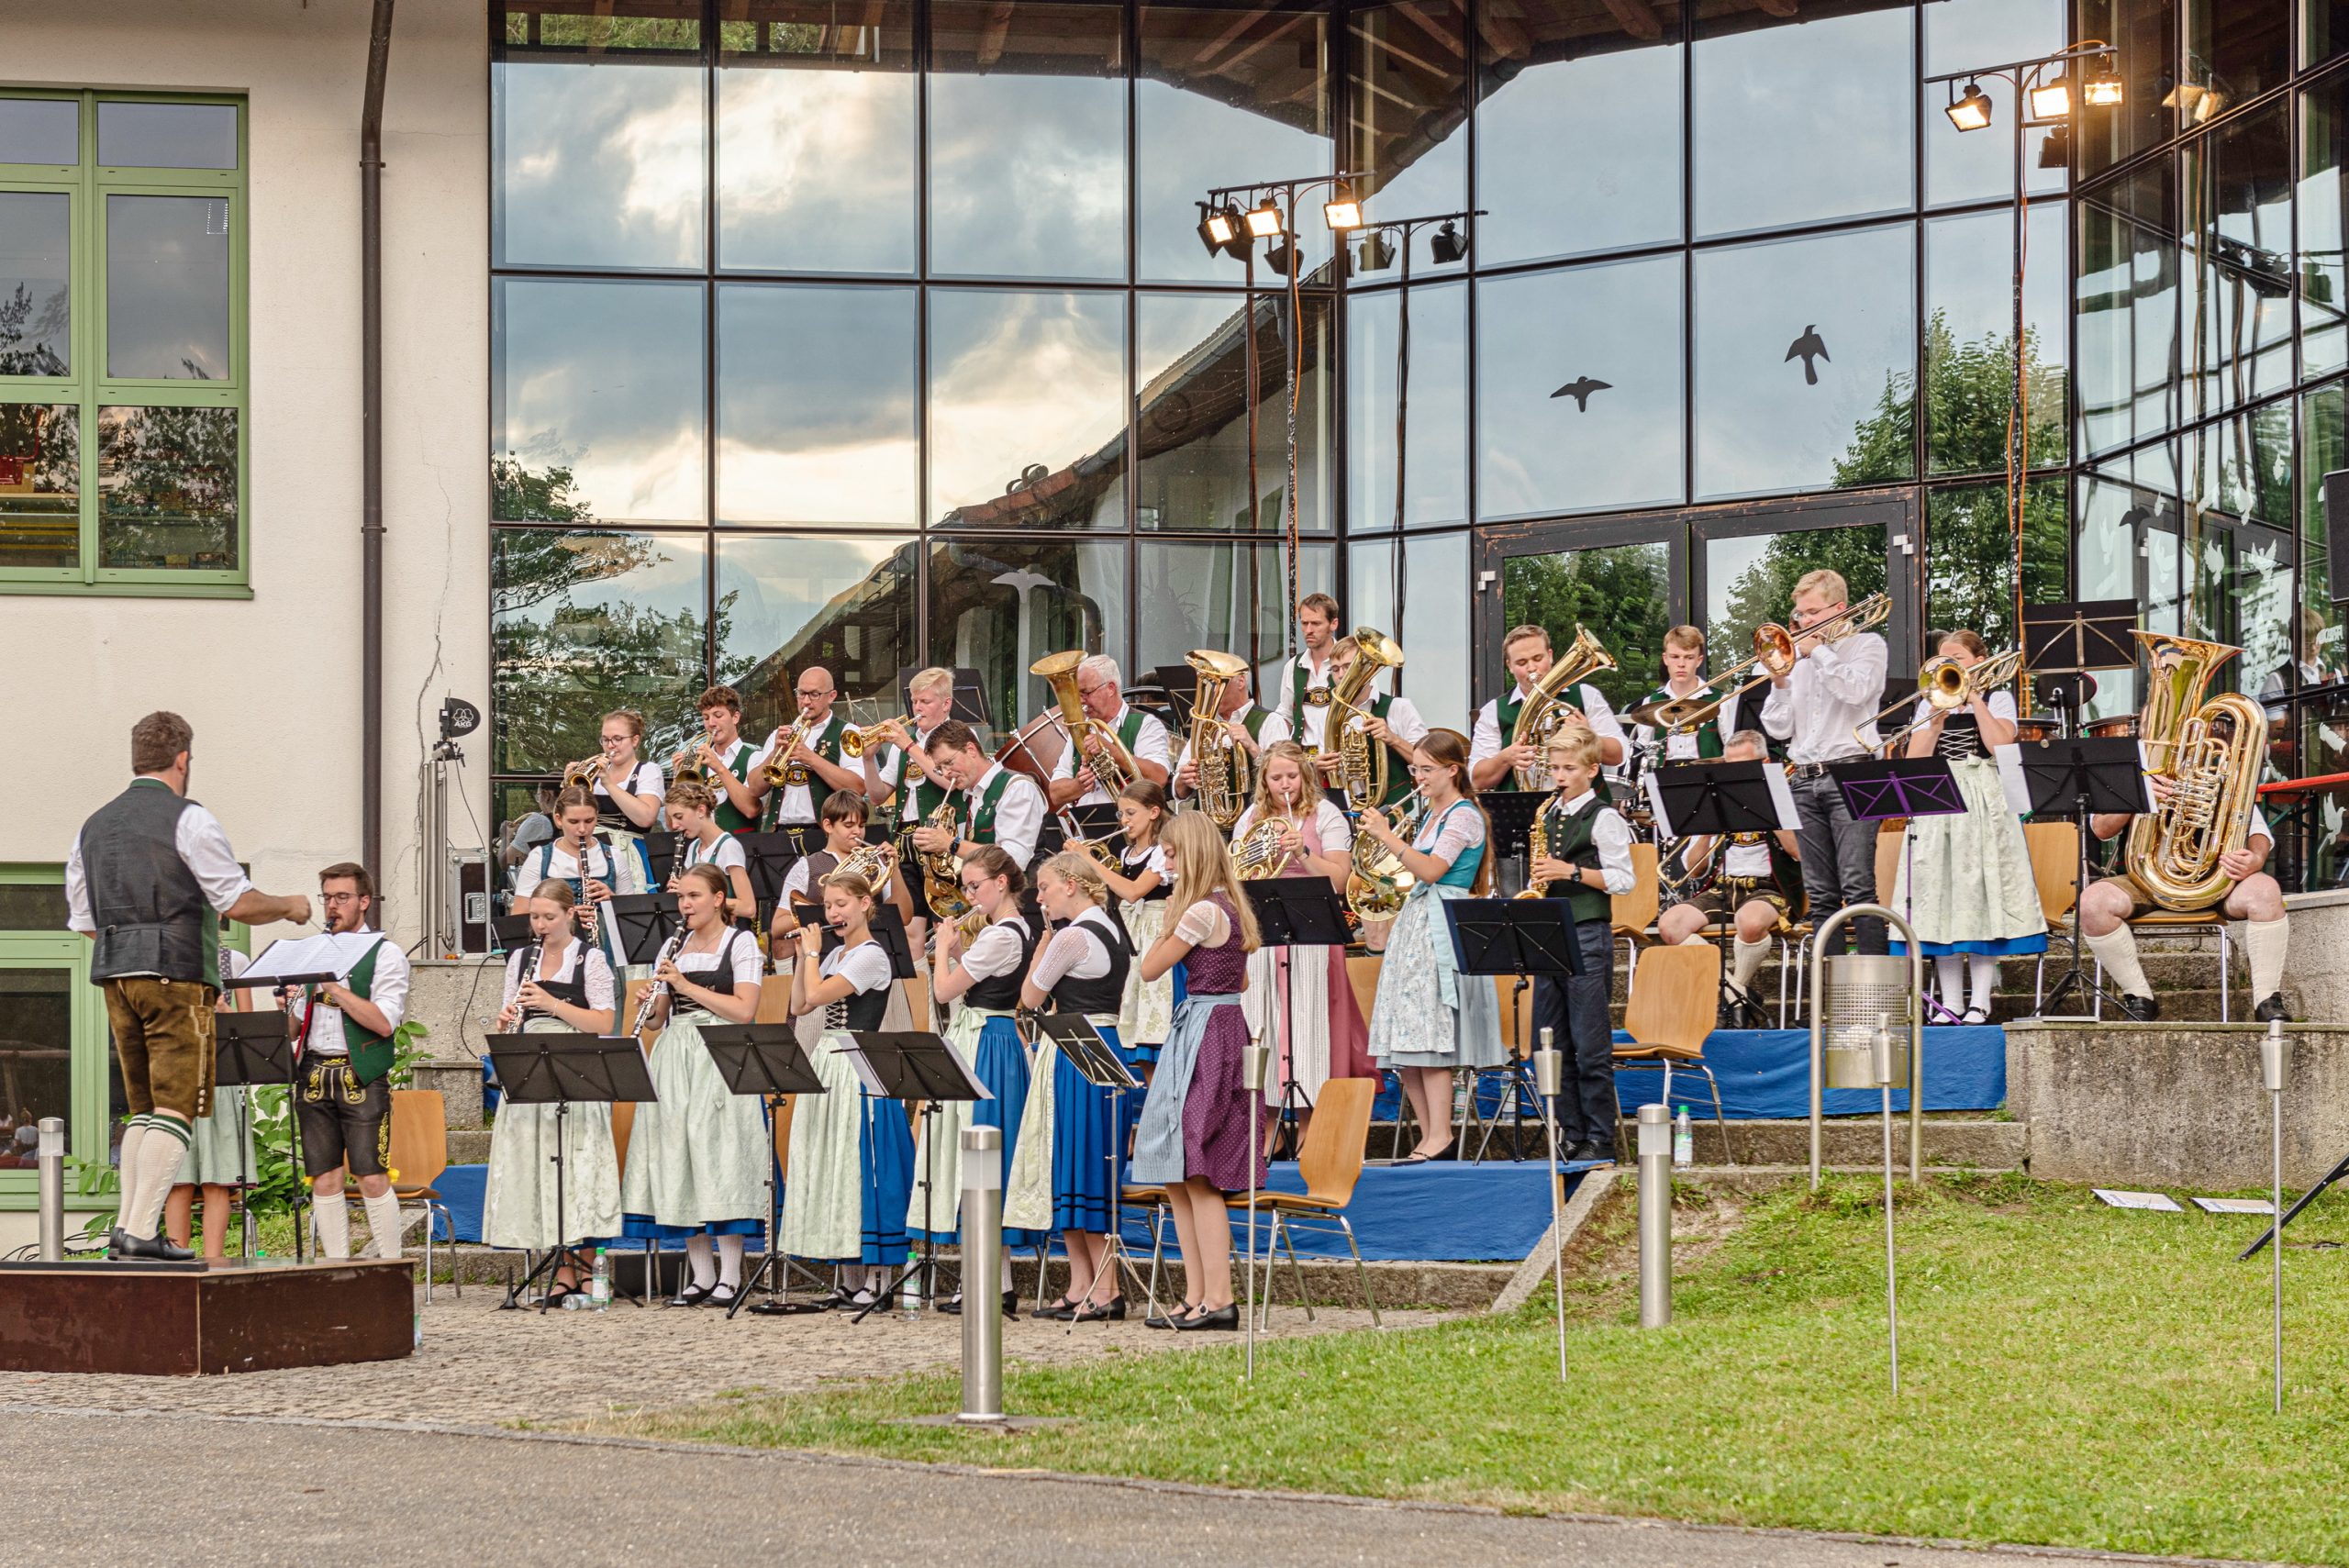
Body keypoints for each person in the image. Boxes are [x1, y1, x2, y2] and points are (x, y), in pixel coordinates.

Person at [68, 713, 313, 1262]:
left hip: (116, 975)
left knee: (145, 1109)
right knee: (178, 1105)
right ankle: (138, 1231)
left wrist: (132, 944)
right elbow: (235, 901)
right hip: (175, 975)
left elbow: (83, 920)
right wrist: (289, 906)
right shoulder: (189, 818)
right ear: (182, 760)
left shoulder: (92, 827)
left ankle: (126, 1232)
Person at [1129, 810, 1264, 1331]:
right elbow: (1241, 982)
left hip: (1206, 1031)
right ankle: (1196, 1294)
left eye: (1171, 854)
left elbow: (1150, 968)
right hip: (1220, 1023)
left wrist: (1167, 919)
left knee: (1197, 1169)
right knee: (1180, 1174)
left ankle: (1219, 1297)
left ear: (1194, 853)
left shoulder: (1200, 911)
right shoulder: (1229, 905)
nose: (1166, 863)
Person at [618, 864, 765, 1307]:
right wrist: (651, 1003)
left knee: (720, 1157)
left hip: (721, 1052)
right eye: (681, 897)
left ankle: (731, 1275)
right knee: (679, 1158)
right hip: (675, 1054)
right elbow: (659, 1019)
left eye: (694, 896)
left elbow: (744, 1010)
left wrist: (683, 983)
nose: (685, 905)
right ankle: (701, 1275)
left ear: (719, 899)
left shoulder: (741, 943)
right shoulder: (672, 944)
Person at [1889, 630, 2046, 1023]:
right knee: (1939, 898)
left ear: (1979, 660)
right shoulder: (1929, 702)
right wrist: (1934, 720)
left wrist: (1975, 699)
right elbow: (1915, 759)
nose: (1950, 665)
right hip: (1937, 794)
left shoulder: (1998, 697)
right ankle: (1950, 1003)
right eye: (1945, 659)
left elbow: (2000, 746)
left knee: (1979, 896)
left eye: (1958, 657)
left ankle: (1980, 1000)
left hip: (1982, 798)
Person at [1008, 853, 1138, 1322]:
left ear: (1070, 884)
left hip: (1079, 1049)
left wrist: (1041, 949)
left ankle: (1106, 1287)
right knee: (1072, 1166)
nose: (1039, 897)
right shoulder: (1112, 928)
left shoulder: (1072, 936)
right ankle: (1082, 1284)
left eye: (1044, 887)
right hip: (1096, 1042)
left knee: (1083, 1167)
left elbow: (1030, 998)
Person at [1364, 729, 1504, 1162]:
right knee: (1408, 1039)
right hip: (1417, 923)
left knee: (1431, 1035)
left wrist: (1386, 836)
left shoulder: (1463, 816)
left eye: (1427, 769)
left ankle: (1441, 1134)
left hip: (1442, 923)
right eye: (1415, 769)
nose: (1419, 777)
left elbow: (1431, 870)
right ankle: (1429, 1136)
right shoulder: (1432, 815)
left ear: (1452, 770)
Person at [783, 871, 916, 1307]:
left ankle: (877, 1280)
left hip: (858, 1061)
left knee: (862, 1165)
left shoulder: (872, 955)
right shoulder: (837, 953)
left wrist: (812, 955)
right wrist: (805, 957)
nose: (833, 912)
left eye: (841, 903)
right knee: (835, 1165)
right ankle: (851, 1277)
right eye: (827, 905)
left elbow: (820, 995)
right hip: (828, 1059)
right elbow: (801, 1004)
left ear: (864, 904)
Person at [483, 879, 619, 1296]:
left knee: (580, 1167)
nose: (540, 925)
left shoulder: (590, 958)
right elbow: (508, 1016)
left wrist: (552, 1004)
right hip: (532, 1067)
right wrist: (505, 1023)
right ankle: (561, 1270)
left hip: (576, 1066)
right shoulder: (521, 958)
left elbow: (604, 1021)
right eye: (535, 917)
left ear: (570, 914)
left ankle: (589, 1266)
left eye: (549, 917)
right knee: (542, 1167)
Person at [1230, 740, 1370, 1143]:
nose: (1285, 784)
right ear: (1264, 781)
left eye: (1292, 775)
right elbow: (1236, 871)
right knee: (1262, 1023)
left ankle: (1310, 1122)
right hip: (1262, 931)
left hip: (1312, 932)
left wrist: (1303, 852)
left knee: (1308, 1026)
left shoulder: (1325, 814)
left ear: (1305, 776)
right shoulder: (1251, 818)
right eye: (1276, 777)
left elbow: (1340, 880)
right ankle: (1268, 1123)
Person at [921, 846, 1040, 1315]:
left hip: (988, 1043)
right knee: (982, 1160)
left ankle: (991, 1281)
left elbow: (944, 991)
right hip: (993, 1039)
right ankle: (994, 1281)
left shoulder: (1001, 934)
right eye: (966, 887)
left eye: (975, 886)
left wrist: (942, 950)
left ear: (1002, 882)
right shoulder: (1011, 930)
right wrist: (957, 951)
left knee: (982, 1157)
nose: (968, 895)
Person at [2083, 780, 2292, 1025]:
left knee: (2266, 891)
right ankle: (2139, 997)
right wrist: (2137, 794)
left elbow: (2256, 829)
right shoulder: (2132, 771)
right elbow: (2100, 829)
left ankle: (2267, 1001)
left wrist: (2256, 858)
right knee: (2092, 903)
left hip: (2214, 879)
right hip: (2143, 879)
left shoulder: (2222, 770)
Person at [1760, 569, 1889, 956]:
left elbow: (1856, 690)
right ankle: (1828, 984)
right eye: (1800, 614)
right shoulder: (1796, 661)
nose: (1804, 621)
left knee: (1858, 885)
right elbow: (1778, 728)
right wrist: (1779, 681)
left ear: (1840, 608)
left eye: (1813, 612)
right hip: (1804, 778)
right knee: (1819, 893)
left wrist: (1817, 651)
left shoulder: (1868, 644)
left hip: (1854, 773)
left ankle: (1875, 985)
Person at [1523, 728, 1637, 1164]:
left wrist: (1570, 872)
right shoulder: (1549, 813)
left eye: (1568, 768)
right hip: (1548, 934)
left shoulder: (1604, 817)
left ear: (1591, 770)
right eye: (1554, 768)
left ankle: (1600, 1137)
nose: (1559, 776)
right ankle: (1571, 1131)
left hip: (1587, 932)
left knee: (1590, 1046)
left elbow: (1624, 880)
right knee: (1547, 1043)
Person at [292, 862, 413, 1261]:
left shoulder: (386, 953)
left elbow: (383, 1023)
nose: (332, 906)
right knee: (323, 1177)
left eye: (342, 897)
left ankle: (391, 1269)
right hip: (314, 1072)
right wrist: (287, 1002)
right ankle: (337, 1271)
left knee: (371, 1175)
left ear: (364, 901)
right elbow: (294, 1028)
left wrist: (334, 987)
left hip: (361, 1074)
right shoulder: (312, 951)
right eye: (327, 897)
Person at [1653, 730, 1800, 1027]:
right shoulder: (1717, 798)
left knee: (1750, 922)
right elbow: (1694, 870)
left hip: (1768, 888)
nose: (1735, 774)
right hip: (1722, 887)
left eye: (1744, 766)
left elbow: (1798, 852)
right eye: (1730, 766)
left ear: (1765, 764)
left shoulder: (1789, 797)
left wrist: (1768, 808)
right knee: (1670, 925)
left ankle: (1731, 997)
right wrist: (1708, 828)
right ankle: (1737, 996)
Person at [164, 946, 258, 1260]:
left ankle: (214, 1263)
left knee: (217, 1180)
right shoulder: (166, 958)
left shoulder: (235, 961)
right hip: (177, 1080)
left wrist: (223, 1008)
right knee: (179, 1180)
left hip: (221, 1080)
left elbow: (250, 1029)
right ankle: (177, 1262)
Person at [863, 666, 963, 954]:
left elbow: (950, 781)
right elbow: (877, 796)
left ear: (946, 704)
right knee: (910, 929)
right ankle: (919, 986)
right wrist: (868, 760)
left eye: (925, 701)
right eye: (915, 701)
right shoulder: (903, 746)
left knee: (948, 925)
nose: (917, 708)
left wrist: (908, 745)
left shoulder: (958, 737)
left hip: (941, 840)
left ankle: (952, 986)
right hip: (905, 840)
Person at [1470, 624, 1628, 792]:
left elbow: (1619, 755)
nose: (1532, 668)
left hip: (1584, 805)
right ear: (1509, 666)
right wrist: (1506, 758)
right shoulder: (1493, 711)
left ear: (1550, 656)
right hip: (1522, 804)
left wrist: (1589, 736)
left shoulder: (1586, 695)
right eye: (1522, 663)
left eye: (1538, 659)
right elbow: (1476, 780)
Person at [512, 785, 632, 975]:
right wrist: (564, 915)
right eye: (574, 822)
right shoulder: (540, 858)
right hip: (554, 962)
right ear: (558, 819)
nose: (582, 829)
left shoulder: (613, 856)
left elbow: (631, 918)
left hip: (605, 960)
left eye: (589, 821)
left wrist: (613, 899)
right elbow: (519, 916)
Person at [1101, 781, 1175, 1073]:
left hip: (1155, 929)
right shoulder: (1126, 853)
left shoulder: (1161, 852)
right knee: (1133, 1014)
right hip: (1132, 931)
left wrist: (1089, 862)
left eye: (1131, 813)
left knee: (1154, 1010)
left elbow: (1134, 891)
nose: (1125, 821)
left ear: (1154, 812)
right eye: (1121, 814)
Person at [750, 666, 866, 854]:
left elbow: (857, 787)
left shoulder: (847, 732)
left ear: (831, 696)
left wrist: (811, 758)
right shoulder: (780, 734)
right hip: (778, 834)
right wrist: (774, 754)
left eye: (814, 694)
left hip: (823, 835)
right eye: (801, 693)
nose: (805, 701)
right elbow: (754, 789)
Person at [770, 791, 912, 943]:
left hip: (867, 947)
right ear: (828, 826)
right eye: (848, 825)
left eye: (862, 825)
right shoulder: (805, 867)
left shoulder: (876, 863)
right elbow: (777, 927)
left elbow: (904, 916)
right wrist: (826, 907)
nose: (857, 831)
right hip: (822, 951)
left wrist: (895, 869)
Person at [1046, 654, 1172, 813]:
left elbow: (1159, 778)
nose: (1081, 701)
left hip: (1129, 824)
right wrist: (1079, 785)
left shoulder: (1146, 724)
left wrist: (1110, 750)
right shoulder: (1080, 731)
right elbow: (1055, 794)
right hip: (1085, 824)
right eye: (1078, 694)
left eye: (1086, 692)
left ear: (1111, 688)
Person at [918, 720, 1047, 873]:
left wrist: (951, 843)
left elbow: (1014, 859)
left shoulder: (1017, 787)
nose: (946, 773)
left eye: (949, 762)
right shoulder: (970, 794)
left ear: (971, 750)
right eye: (940, 768)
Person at [1318, 633, 1430, 806]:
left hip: (1393, 809)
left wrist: (1393, 739)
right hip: (1345, 808)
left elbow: (1430, 762)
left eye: (1348, 666)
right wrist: (1318, 768)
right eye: (1335, 669)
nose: (1341, 675)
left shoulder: (1400, 707)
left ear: (1367, 668)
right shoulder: (1327, 716)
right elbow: (1326, 772)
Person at [1170, 664, 1286, 805]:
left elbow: (1284, 777)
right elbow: (1179, 792)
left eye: (1216, 683)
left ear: (1241, 681)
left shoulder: (1271, 721)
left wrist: (1253, 747)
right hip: (1206, 816)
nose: (1210, 691)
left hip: (1254, 814)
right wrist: (1184, 780)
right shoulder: (1205, 726)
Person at [583, 709, 667, 892]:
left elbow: (646, 818)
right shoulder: (593, 773)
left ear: (635, 740)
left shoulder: (648, 770)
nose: (610, 745)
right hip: (591, 852)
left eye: (617, 739)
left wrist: (608, 783)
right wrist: (569, 786)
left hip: (628, 854)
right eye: (605, 740)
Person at [1631, 625, 1736, 766]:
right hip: (1662, 776)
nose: (1681, 664)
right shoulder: (1651, 702)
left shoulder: (1721, 701)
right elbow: (1642, 748)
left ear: (1699, 660)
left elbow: (1733, 753)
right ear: (1665, 659)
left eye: (1689, 658)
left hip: (1707, 776)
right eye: (1675, 657)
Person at [664, 781, 757, 929]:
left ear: (701, 810)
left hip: (728, 932)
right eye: (672, 818)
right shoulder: (694, 847)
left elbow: (748, 907)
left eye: (679, 817)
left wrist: (701, 901)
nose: (674, 825)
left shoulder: (728, 846)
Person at [677, 684, 764, 835]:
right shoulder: (698, 762)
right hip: (702, 846)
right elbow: (675, 822)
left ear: (735, 717)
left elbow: (751, 809)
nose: (711, 723)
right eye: (706, 718)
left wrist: (718, 767)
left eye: (718, 716)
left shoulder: (755, 757)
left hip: (742, 845)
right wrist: (676, 778)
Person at [1273, 591, 1344, 752]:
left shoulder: (1351, 664)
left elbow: (1363, 712)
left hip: (1340, 759)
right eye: (1304, 623)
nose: (1308, 630)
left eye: (1316, 623)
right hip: (1304, 760)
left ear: (1333, 624)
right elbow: (1286, 715)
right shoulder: (1293, 666)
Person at [500, 782, 562, 873]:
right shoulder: (571, 820)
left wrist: (505, 837)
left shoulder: (539, 821)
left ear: (546, 795)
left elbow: (505, 863)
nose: (538, 802)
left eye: (538, 796)